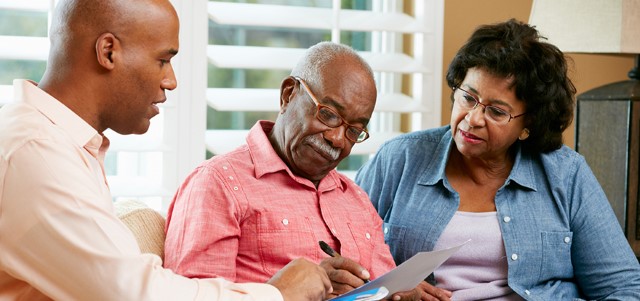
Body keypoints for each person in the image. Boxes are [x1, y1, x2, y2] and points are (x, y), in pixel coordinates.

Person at [0, 0, 332, 300]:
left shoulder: (58, 143)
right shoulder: (34, 151)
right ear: (108, 52)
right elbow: (132, 293)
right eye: (162, 60)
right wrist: (276, 295)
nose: (171, 80)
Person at [355, 19, 640, 300]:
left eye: (496, 112)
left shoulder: (566, 174)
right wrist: (387, 292)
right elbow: (342, 261)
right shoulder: (399, 159)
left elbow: (623, 288)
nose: (473, 118)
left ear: (528, 125)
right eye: (468, 97)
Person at [164, 42, 424, 300]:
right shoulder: (218, 184)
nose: (337, 138)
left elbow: (385, 290)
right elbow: (193, 296)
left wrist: (402, 294)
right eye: (329, 114)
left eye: (354, 131)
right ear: (288, 95)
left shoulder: (356, 200)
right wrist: (297, 292)